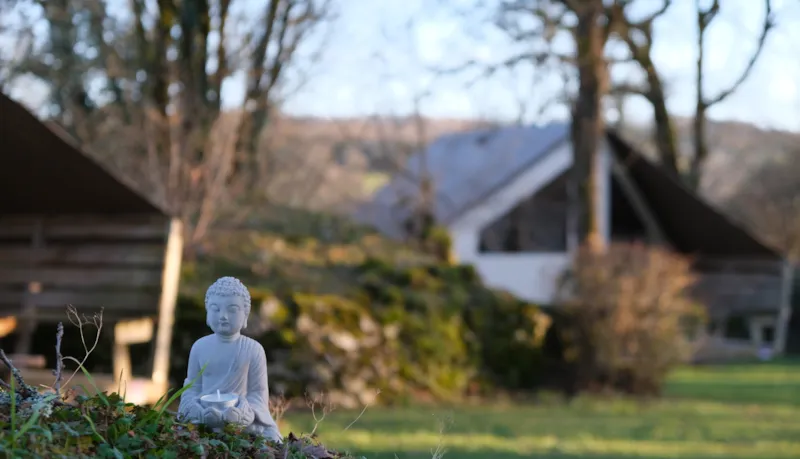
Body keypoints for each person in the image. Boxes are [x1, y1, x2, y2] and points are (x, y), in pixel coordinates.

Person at [177, 276, 282, 442]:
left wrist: (242, 414)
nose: (223, 316)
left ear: (245, 313)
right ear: (207, 312)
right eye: (215, 309)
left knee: (271, 437)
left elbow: (258, 394)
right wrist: (196, 410)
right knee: (182, 431)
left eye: (232, 310)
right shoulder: (199, 347)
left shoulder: (254, 349)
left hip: (240, 418)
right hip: (204, 416)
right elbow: (191, 388)